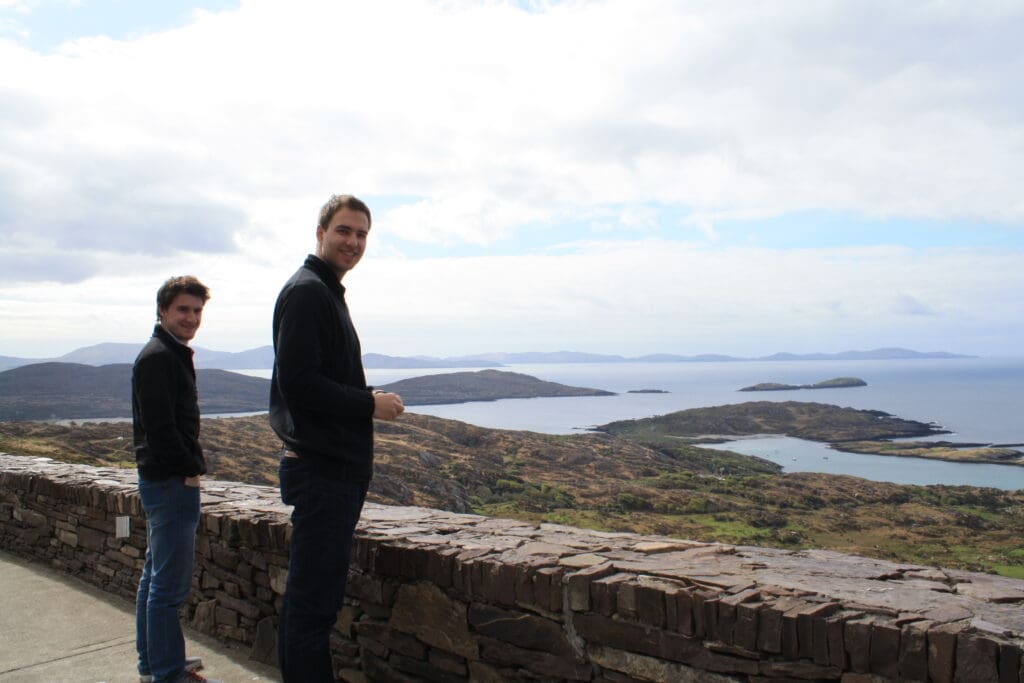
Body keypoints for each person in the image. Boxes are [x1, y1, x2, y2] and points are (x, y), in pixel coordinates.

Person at [270, 194, 404, 682]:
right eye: (344, 230)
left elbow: (316, 378)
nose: (353, 241)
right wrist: (369, 404)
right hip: (324, 473)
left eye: (362, 234)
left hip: (329, 471)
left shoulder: (323, 290)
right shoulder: (308, 292)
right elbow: (300, 383)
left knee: (311, 603)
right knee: (313, 608)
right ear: (321, 232)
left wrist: (365, 397)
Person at [132, 275, 221, 683]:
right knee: (167, 588)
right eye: (183, 309)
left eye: (197, 311)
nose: (191, 318)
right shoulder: (158, 358)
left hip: (163, 482)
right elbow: (161, 430)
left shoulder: (169, 353)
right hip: (170, 484)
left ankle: (153, 663)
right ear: (163, 310)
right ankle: (168, 674)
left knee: (154, 578)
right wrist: (191, 469)